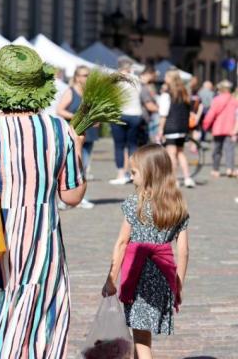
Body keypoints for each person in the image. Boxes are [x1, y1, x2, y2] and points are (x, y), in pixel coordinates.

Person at [0, 45, 87, 358]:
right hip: (40, 241)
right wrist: (77, 148)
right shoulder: (59, 129)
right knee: (36, 320)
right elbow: (72, 196)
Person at [102, 144, 189, 359]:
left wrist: (111, 279)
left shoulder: (135, 204)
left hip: (138, 277)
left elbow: (122, 242)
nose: (131, 177)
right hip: (162, 277)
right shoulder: (177, 206)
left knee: (140, 338)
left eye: (133, 172)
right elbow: (184, 251)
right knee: (142, 333)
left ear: (148, 173)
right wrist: (178, 283)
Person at [57, 65, 98, 208]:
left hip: (89, 134)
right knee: (71, 165)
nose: (87, 78)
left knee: (85, 166)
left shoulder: (91, 93)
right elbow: (59, 110)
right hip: (73, 134)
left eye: (88, 75)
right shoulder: (71, 92)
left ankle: (79, 197)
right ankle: (67, 198)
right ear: (77, 77)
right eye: (84, 75)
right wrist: (77, 117)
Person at [156, 70, 196, 187]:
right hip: (182, 127)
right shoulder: (184, 94)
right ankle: (187, 178)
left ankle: (175, 180)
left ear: (170, 79)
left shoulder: (166, 94)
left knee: (171, 154)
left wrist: (160, 130)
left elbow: (163, 114)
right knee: (180, 153)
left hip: (171, 127)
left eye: (166, 77)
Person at [110, 59, 143, 185]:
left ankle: (120, 174)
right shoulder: (136, 79)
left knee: (119, 145)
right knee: (132, 145)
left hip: (119, 113)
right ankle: (134, 173)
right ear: (130, 68)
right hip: (135, 114)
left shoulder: (115, 79)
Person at [203, 80, 238, 178]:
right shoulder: (234, 101)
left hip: (218, 128)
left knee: (217, 150)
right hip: (231, 129)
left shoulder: (217, 100)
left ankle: (215, 170)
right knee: (230, 150)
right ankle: (229, 169)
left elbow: (211, 114)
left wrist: (205, 125)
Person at [138, 66, 159, 143]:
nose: (155, 79)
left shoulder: (142, 85)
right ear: (150, 74)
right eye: (154, 76)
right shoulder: (143, 86)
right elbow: (149, 106)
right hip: (142, 120)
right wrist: (162, 110)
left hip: (142, 119)